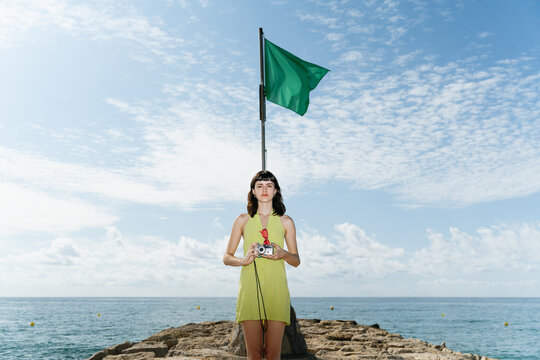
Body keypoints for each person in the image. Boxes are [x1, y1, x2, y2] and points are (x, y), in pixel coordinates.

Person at [223, 170, 301, 360]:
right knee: (254, 355)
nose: (264, 189)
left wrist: (283, 254)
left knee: (273, 355)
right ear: (253, 191)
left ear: (276, 191)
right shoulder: (242, 220)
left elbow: (296, 260)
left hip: (277, 290)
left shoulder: (286, 222)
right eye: (260, 186)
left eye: (269, 185)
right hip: (250, 290)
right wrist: (243, 260)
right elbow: (226, 257)